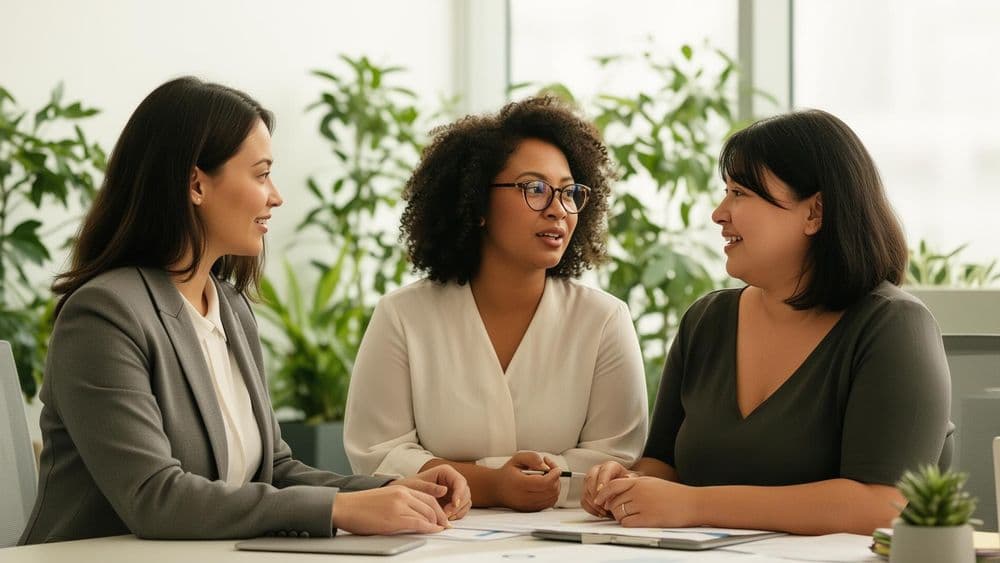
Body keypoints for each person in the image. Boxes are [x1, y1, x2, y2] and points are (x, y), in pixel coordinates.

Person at [19, 77, 470, 545]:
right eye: (261, 174)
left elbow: (273, 471)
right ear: (196, 184)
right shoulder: (104, 315)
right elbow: (155, 498)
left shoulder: (230, 308)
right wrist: (342, 509)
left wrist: (393, 490)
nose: (276, 196)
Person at [582, 109, 952, 535]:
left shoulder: (893, 327)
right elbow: (663, 466)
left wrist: (695, 504)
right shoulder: (706, 320)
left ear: (815, 212)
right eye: (725, 192)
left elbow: (883, 504)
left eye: (740, 193)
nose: (719, 213)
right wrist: (624, 486)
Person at [343, 97, 648, 510]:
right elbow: (376, 454)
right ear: (477, 203)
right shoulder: (403, 316)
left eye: (569, 192)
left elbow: (615, 459)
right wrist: (493, 484)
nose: (558, 210)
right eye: (535, 189)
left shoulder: (604, 319)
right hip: (433, 538)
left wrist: (493, 477)